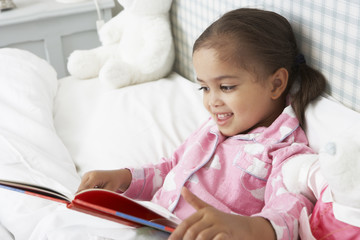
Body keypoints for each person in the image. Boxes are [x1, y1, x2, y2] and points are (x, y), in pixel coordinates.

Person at [77, 8, 326, 240]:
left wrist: (246, 227)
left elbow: (290, 212)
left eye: (226, 87)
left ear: (276, 84)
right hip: (154, 223)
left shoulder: (284, 151)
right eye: (205, 88)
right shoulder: (211, 129)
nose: (211, 101)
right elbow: (172, 169)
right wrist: (123, 179)